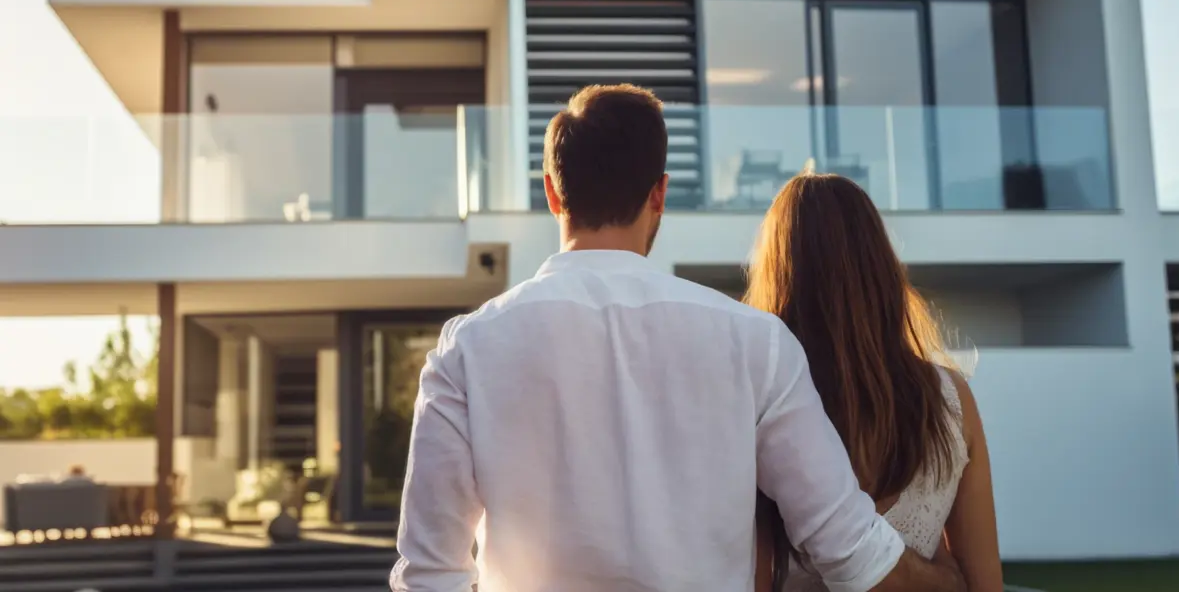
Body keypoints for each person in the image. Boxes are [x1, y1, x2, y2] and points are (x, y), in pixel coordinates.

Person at [391, 84, 964, 591]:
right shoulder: (755, 343)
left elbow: (430, 574)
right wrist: (949, 582)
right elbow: (846, 548)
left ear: (552, 193)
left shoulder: (468, 348)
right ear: (659, 194)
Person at [745, 174, 1002, 592]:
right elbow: (985, 584)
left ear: (778, 272)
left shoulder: (762, 401)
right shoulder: (951, 400)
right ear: (880, 265)